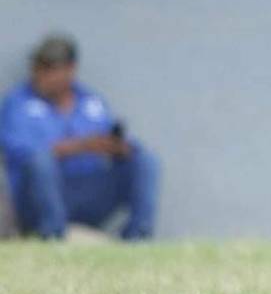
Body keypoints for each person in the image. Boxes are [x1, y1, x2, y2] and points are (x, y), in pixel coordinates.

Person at [0, 35, 158, 241]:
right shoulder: (17, 104)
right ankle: (52, 236)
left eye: (50, 68)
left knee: (144, 160)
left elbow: (108, 139)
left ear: (70, 69)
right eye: (38, 67)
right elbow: (20, 154)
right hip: (37, 198)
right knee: (41, 161)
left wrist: (117, 148)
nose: (40, 74)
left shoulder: (91, 102)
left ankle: (138, 237)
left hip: (86, 190)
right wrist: (82, 145)